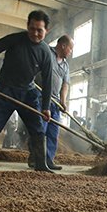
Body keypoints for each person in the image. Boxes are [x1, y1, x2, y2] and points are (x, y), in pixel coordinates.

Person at [0, 10, 53, 172]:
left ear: (46, 31)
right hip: (5, 90)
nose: (35, 33)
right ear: (27, 26)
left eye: (39, 30)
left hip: (28, 93)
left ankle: (41, 165)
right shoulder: (15, 40)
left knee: (38, 129)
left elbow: (48, 81)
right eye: (32, 28)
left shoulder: (46, 52)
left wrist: (46, 107)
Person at [35, 34, 73, 170]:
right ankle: (36, 159)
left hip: (55, 103)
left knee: (53, 132)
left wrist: (63, 101)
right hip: (41, 98)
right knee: (41, 130)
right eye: (70, 48)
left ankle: (48, 160)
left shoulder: (66, 66)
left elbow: (65, 84)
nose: (71, 52)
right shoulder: (46, 53)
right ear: (63, 46)